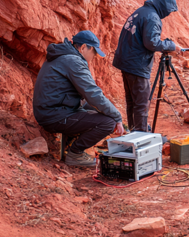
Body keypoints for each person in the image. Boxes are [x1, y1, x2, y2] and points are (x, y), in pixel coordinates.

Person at [33, 31, 125, 167]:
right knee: (108, 123)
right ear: (83, 47)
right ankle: (75, 154)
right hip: (53, 115)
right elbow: (93, 94)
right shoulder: (73, 61)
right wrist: (117, 117)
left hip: (51, 110)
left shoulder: (64, 57)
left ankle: (70, 145)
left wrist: (107, 111)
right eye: (93, 51)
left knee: (95, 109)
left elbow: (88, 97)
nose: (94, 56)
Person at [113, 0, 178, 132]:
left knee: (132, 102)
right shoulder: (152, 17)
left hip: (126, 62)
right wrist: (171, 46)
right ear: (164, 6)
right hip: (136, 64)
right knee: (141, 104)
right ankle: (142, 138)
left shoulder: (141, 11)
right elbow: (152, 43)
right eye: (169, 10)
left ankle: (134, 132)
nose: (168, 14)